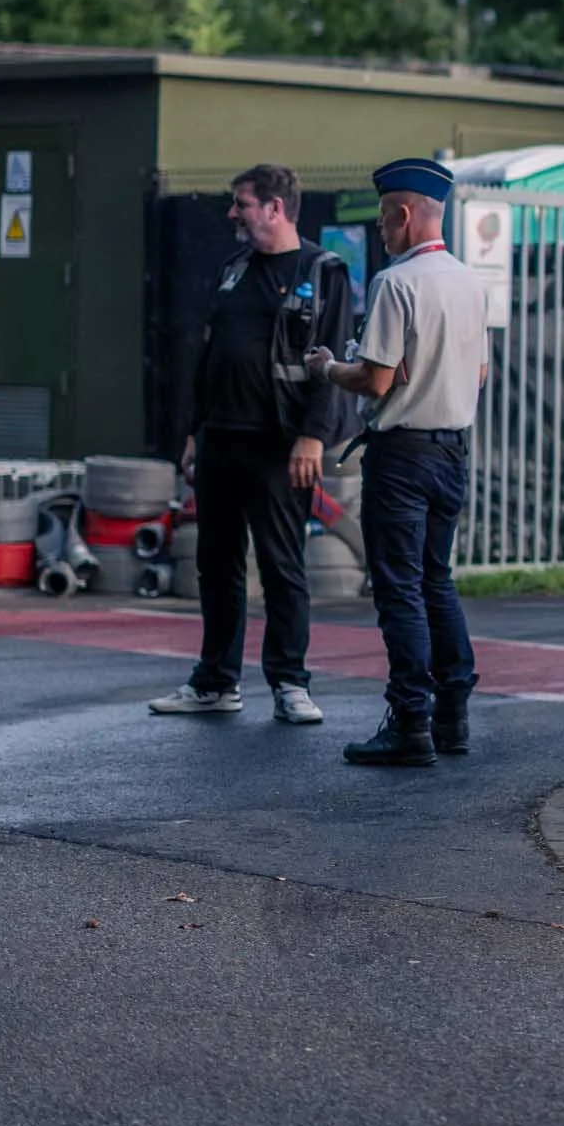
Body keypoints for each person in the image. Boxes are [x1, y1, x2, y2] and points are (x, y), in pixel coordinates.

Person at [150, 163, 354, 726]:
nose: (232, 214)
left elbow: (329, 360)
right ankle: (215, 681)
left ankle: (290, 682)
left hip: (279, 443)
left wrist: (313, 437)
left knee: (281, 563)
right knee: (216, 564)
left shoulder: (323, 270)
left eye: (241, 203)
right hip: (221, 438)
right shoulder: (234, 267)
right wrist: (194, 432)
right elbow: (209, 356)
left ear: (274, 208)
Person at [305, 158, 487, 767]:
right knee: (437, 579)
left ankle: (409, 718)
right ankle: (453, 715)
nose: (381, 228)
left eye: (384, 217)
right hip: (452, 450)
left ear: (404, 214)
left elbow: (376, 378)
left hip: (403, 456)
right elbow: (480, 371)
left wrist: (329, 367)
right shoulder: (467, 281)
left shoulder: (395, 283)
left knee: (398, 587)